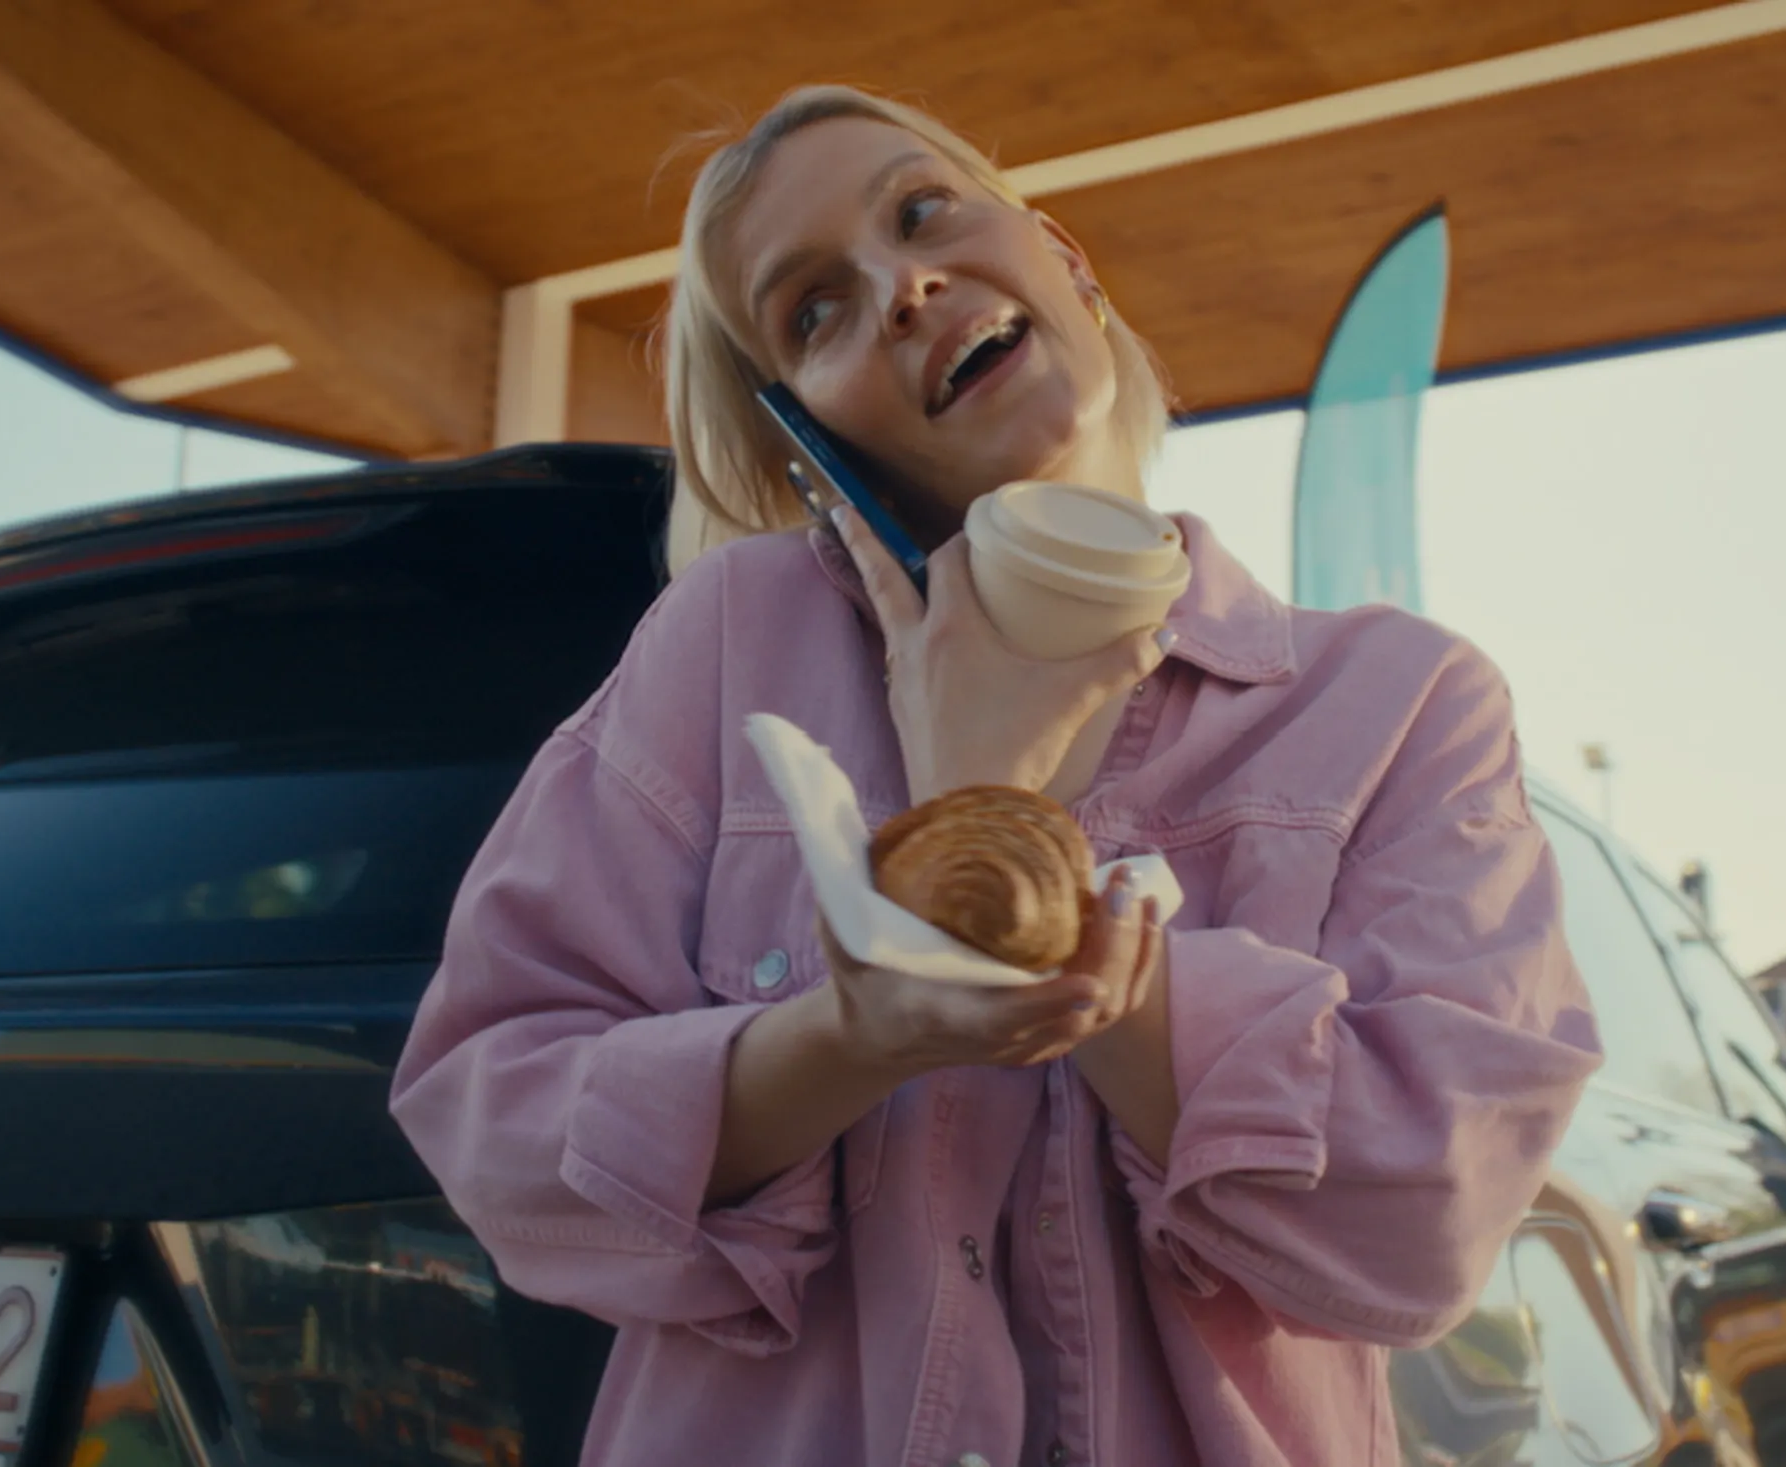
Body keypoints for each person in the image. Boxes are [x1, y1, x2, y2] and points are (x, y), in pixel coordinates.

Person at [388, 85, 1600, 1466]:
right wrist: (847, 1035)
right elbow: (493, 1122)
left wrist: (1018, 857)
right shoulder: (728, 646)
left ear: (1063, 260)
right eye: (816, 310)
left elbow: (1417, 1219)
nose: (902, 286)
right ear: (811, 443)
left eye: (920, 212)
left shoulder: (1399, 701)